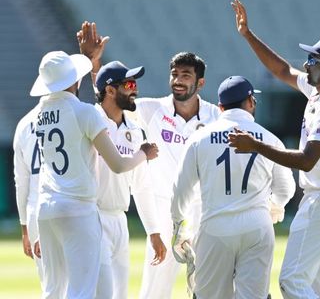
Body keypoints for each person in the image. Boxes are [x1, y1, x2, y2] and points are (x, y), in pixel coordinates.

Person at [77, 21, 220, 298]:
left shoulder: (215, 117)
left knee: (209, 285)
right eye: (174, 74)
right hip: (164, 208)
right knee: (155, 290)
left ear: (200, 82)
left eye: (186, 75)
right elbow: (110, 99)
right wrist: (94, 65)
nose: (178, 80)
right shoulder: (151, 109)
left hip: (203, 208)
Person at [229, 0, 320, 298]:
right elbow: (282, 70)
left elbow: (307, 160)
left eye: (313, 60)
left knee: (291, 281)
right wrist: (248, 34)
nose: (306, 64)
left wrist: (255, 146)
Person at [30, 50, 158, 298]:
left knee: (53, 290)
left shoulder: (40, 115)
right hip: (79, 209)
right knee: (83, 290)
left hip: (47, 209)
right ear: (74, 80)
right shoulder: (85, 112)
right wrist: (144, 153)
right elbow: (119, 165)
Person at [171, 75, 296, 298]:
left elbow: (181, 189)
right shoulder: (269, 138)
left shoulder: (199, 138)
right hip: (257, 226)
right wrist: (274, 206)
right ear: (250, 102)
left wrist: (180, 226)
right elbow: (286, 188)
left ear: (220, 107)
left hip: (215, 227)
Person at [92, 61, 167, 299]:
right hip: (90, 217)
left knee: (119, 294)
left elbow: (141, 185)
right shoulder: (90, 119)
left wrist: (154, 232)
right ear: (110, 90)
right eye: (129, 84)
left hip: (119, 221)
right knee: (99, 293)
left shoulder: (135, 130)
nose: (134, 89)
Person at [13, 100, 44, 289]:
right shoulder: (73, 114)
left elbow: (21, 184)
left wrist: (24, 228)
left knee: (50, 285)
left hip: (35, 209)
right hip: (70, 206)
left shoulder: (24, 123)